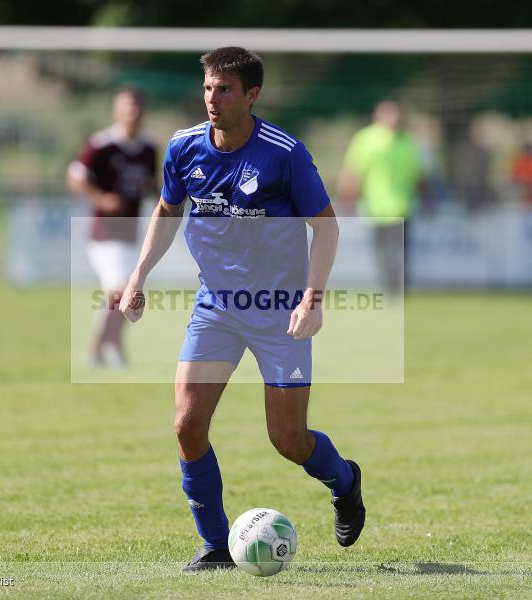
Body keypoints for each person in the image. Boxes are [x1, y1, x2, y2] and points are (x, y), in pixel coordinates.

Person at [117, 47, 365, 572]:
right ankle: (213, 546)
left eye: (225, 89)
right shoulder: (184, 148)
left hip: (280, 313)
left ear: (251, 95)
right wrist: (138, 273)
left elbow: (326, 226)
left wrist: (312, 299)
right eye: (208, 87)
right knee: (187, 424)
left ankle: (344, 480)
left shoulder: (284, 153)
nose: (213, 98)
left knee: (288, 440)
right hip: (217, 309)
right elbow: (167, 209)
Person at [66, 88, 157, 368]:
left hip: (131, 233)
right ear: (116, 111)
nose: (133, 112)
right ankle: (99, 351)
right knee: (119, 290)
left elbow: (151, 185)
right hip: (104, 234)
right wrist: (100, 198)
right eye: (127, 107)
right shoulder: (102, 144)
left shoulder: (148, 148)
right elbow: (75, 176)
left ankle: (109, 348)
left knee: (126, 295)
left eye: (137, 106)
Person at [337, 101, 422, 297]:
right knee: (384, 254)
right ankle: (391, 290)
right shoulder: (366, 139)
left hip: (402, 207)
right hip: (375, 208)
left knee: (398, 254)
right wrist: (347, 197)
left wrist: (426, 197)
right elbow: (354, 171)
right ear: (378, 117)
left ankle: (397, 291)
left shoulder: (406, 141)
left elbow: (416, 174)